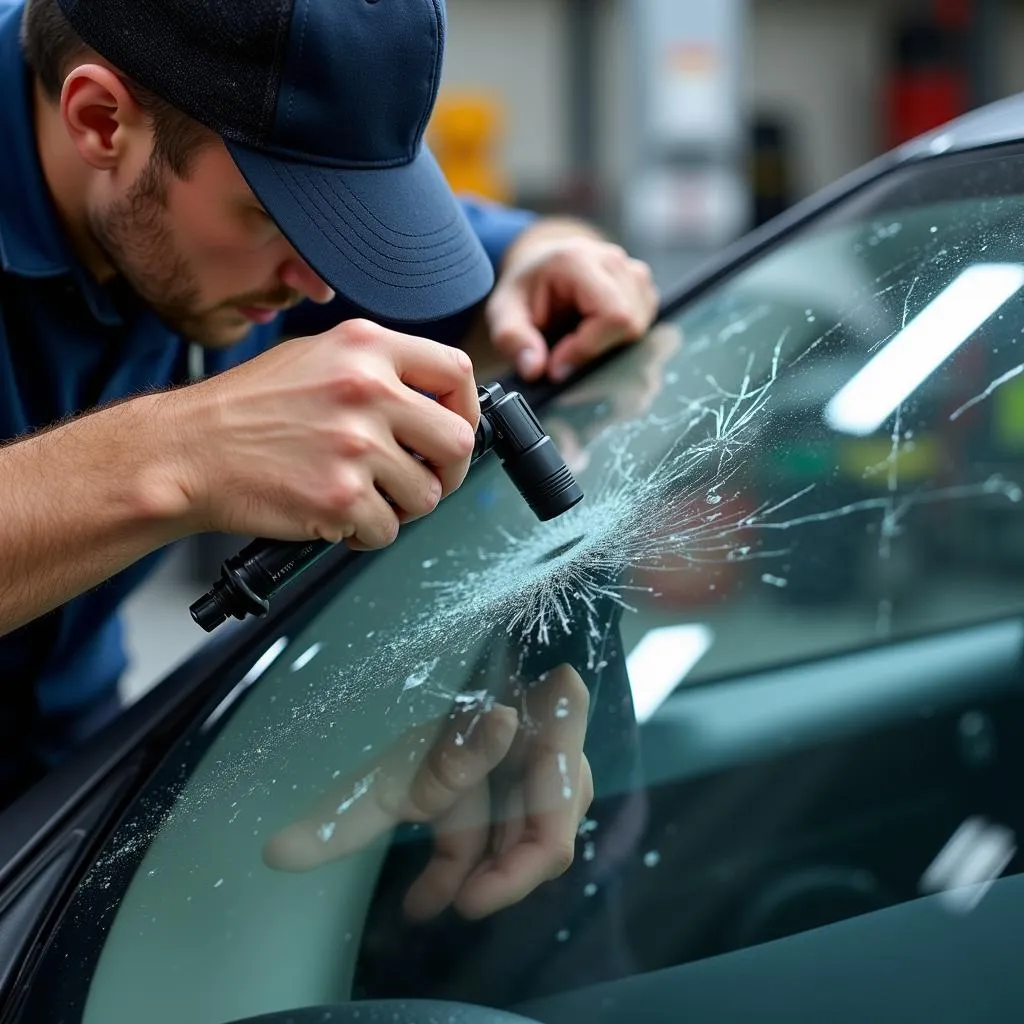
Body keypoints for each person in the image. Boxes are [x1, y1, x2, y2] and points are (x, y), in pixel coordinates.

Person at [0, 0, 657, 904]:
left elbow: (516, 257)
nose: (322, 282)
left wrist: (555, 253)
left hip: (67, 784)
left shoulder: (203, 179)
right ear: (100, 121)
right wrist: (183, 450)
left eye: (343, 223)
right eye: (276, 214)